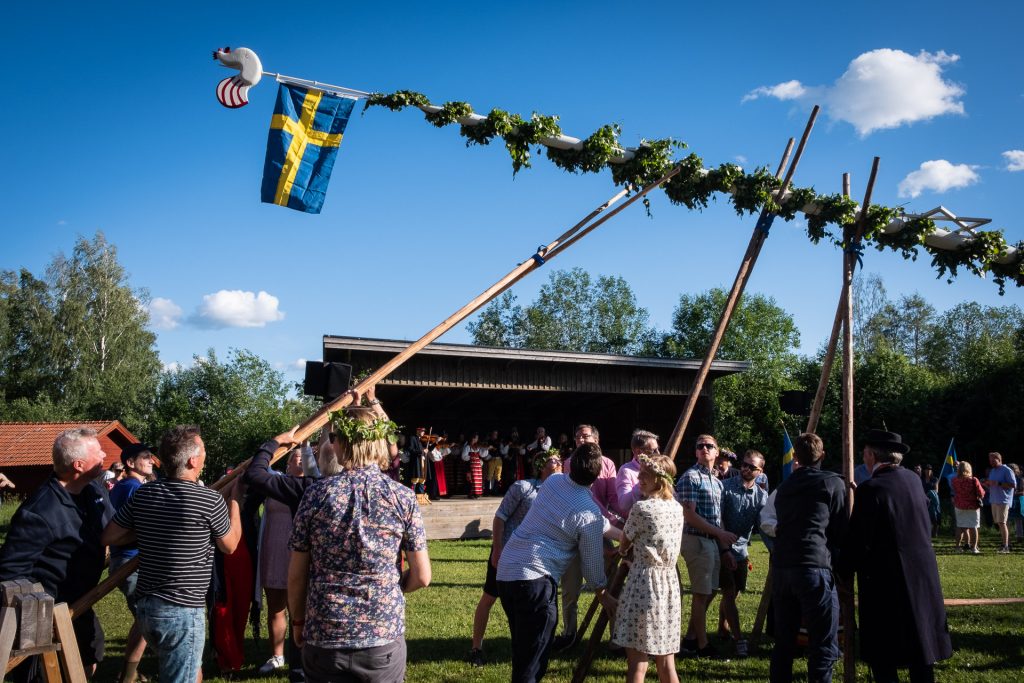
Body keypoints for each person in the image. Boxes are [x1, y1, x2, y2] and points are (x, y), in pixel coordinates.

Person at [288, 403, 431, 682]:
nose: (331, 443)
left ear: (341, 444)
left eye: (333, 437)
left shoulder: (316, 495)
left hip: (325, 633)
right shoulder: (402, 498)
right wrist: (391, 586)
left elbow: (296, 574)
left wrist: (297, 621)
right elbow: (423, 577)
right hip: (381, 637)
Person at [101, 425, 243, 683]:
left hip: (147, 608)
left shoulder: (145, 493)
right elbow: (230, 545)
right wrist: (235, 501)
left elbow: (109, 535)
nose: (205, 457)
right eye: (204, 452)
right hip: (182, 611)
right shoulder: (210, 500)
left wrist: (152, 528)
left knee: (189, 670)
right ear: (193, 460)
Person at [0, 428, 114, 681]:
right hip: (46, 614)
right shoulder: (39, 513)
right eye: (98, 451)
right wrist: (39, 615)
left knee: (89, 659)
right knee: (45, 675)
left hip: (81, 603)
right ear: (79, 465)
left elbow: (113, 529)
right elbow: (10, 572)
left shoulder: (94, 492)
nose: (105, 453)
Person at [840, 430, 951, 683]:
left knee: (884, 653)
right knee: (920, 644)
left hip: (887, 579)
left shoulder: (872, 489)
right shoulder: (912, 480)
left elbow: (858, 541)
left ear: (870, 455)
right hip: (922, 574)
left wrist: (842, 570)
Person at [496, 442, 608, 682]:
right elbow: (591, 566)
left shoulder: (554, 483)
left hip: (507, 571)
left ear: (570, 465)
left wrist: (622, 533)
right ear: (598, 476)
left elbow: (587, 518)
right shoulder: (588, 512)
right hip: (534, 580)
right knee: (533, 662)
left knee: (523, 648)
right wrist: (602, 591)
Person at [468, 451, 563, 667]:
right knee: (489, 597)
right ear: (540, 465)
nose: (558, 464)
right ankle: (476, 647)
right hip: (507, 552)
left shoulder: (558, 494)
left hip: (534, 559)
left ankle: (525, 647)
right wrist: (497, 550)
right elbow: (500, 517)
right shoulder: (523, 487)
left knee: (526, 605)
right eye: (553, 460)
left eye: (559, 460)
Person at [769, 432, 846, 683]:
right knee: (823, 641)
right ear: (822, 455)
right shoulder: (832, 483)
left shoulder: (785, 487)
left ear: (796, 459)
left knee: (784, 640)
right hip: (813, 565)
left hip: (782, 567)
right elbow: (839, 528)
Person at [604, 453, 684, 683]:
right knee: (667, 662)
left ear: (658, 479)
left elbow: (625, 540)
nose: (639, 477)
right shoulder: (677, 508)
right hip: (669, 584)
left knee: (638, 661)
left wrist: (622, 552)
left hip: (645, 584)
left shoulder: (642, 508)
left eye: (645, 474)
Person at [552, 424, 619, 651]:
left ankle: (615, 636)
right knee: (570, 587)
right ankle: (569, 633)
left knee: (610, 585)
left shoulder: (608, 464)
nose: (581, 438)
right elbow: (572, 496)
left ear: (596, 440)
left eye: (586, 435)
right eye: (578, 435)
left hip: (602, 530)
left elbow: (613, 498)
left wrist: (622, 521)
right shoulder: (569, 463)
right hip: (573, 531)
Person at [674, 434, 738, 657]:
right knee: (701, 594)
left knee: (709, 591)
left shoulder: (716, 481)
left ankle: (691, 640)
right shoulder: (690, 478)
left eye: (709, 446)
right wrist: (720, 533)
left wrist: (724, 548)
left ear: (717, 451)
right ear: (695, 452)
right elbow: (688, 515)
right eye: (699, 446)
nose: (704, 449)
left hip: (711, 541)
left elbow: (718, 516)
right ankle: (702, 646)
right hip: (696, 540)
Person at [109, 443, 157, 683]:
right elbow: (135, 525)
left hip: (126, 559)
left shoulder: (124, 486)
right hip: (130, 561)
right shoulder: (134, 488)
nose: (151, 461)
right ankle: (127, 676)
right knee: (147, 617)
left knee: (145, 618)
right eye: (146, 457)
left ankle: (130, 673)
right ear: (130, 463)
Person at [717, 449, 768, 658]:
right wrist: (724, 549)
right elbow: (717, 518)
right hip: (721, 548)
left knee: (735, 592)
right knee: (728, 591)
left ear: (760, 471)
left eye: (751, 467)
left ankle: (722, 627)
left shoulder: (761, 496)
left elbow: (763, 527)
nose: (745, 469)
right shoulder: (725, 487)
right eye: (744, 464)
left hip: (741, 550)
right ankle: (739, 640)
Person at [613, 429, 660, 519]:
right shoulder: (626, 471)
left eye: (658, 449)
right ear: (639, 452)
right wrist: (644, 482)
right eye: (653, 450)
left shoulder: (659, 468)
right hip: (638, 524)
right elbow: (624, 504)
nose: (658, 453)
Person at [982, 451, 1017, 553]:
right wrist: (986, 484)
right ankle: (1007, 544)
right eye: (990, 460)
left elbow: (1013, 485)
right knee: (1000, 523)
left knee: (1002, 522)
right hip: (994, 500)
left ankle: (1005, 547)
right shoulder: (993, 471)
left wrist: (998, 483)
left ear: (999, 459)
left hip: (1003, 500)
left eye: (993, 460)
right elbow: (993, 485)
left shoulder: (1007, 470)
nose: (991, 462)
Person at [950, 461, 985, 554]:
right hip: (972, 506)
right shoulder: (973, 480)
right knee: (973, 526)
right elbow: (981, 493)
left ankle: (957, 547)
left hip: (959, 505)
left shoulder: (954, 480)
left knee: (960, 526)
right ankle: (974, 548)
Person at [462, 433, 487, 499]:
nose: (477, 440)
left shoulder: (477, 447)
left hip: (477, 466)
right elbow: (463, 457)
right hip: (470, 465)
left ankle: (477, 493)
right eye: (476, 438)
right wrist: (471, 457)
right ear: (473, 439)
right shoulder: (468, 447)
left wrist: (486, 448)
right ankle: (471, 494)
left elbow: (482, 455)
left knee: (477, 480)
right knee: (471, 480)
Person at [921, 464, 941, 538]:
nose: (928, 471)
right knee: (925, 517)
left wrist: (929, 495)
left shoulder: (935, 479)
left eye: (929, 470)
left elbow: (936, 490)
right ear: (924, 471)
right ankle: (926, 533)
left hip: (933, 500)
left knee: (935, 517)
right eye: (926, 469)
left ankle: (934, 533)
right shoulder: (921, 479)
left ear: (931, 471)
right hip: (923, 500)